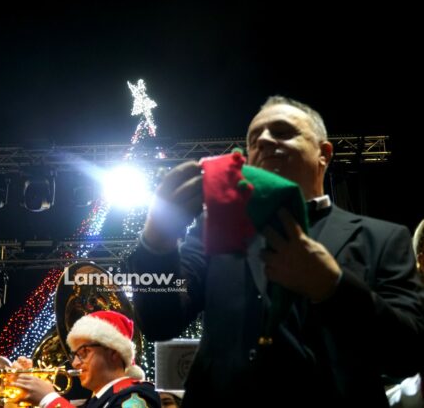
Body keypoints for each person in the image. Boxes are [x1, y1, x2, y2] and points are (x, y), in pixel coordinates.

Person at [127, 96, 424, 406]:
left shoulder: (384, 238)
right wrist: (156, 243)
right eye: (254, 140)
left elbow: (409, 354)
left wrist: (333, 287)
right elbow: (159, 322)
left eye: (282, 132)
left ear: (324, 154)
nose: (265, 141)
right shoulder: (212, 230)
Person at [13, 310, 161, 408]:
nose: (74, 363)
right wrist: (20, 389)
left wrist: (49, 399)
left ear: (114, 352)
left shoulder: (137, 394)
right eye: (75, 355)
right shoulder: (93, 402)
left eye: (84, 352)